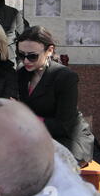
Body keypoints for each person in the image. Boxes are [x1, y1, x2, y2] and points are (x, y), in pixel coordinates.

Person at [16, 26, 94, 164]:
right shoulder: (21, 73)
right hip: (38, 137)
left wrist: (28, 119)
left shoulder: (65, 77)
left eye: (32, 56)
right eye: (21, 55)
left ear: (49, 50)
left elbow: (64, 124)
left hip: (69, 138)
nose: (26, 60)